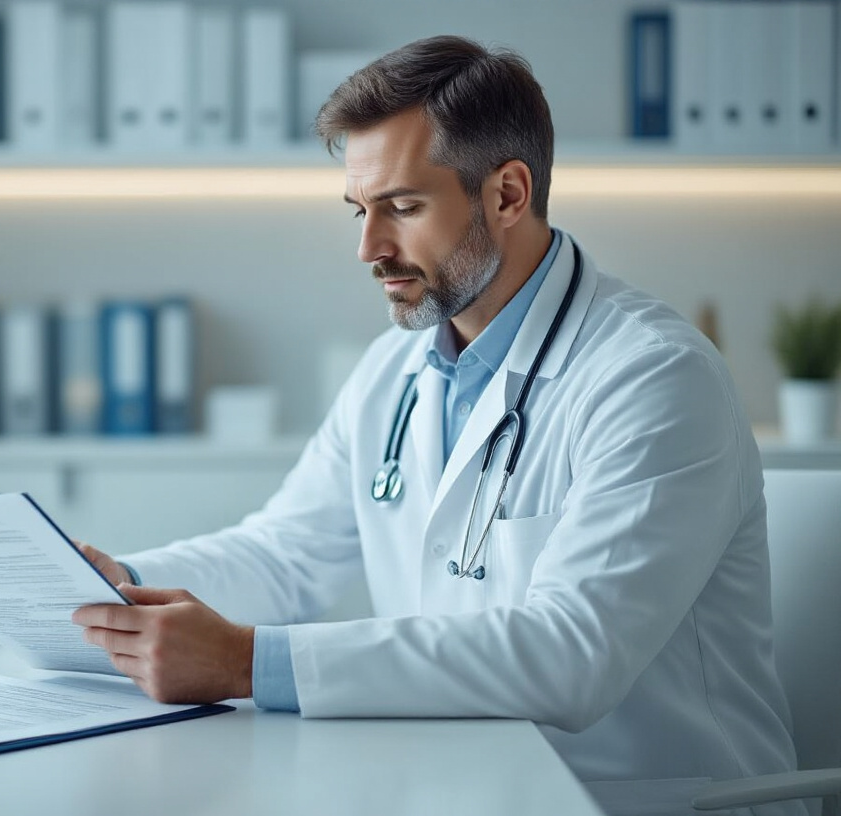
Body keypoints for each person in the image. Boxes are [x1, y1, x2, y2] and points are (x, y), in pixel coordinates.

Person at [71, 35, 800, 815]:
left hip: (641, 798)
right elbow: (287, 553)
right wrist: (121, 588)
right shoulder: (400, 367)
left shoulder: (652, 377)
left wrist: (250, 663)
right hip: (464, 779)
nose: (368, 248)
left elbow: (570, 654)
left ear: (508, 195)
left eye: (403, 208)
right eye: (359, 209)